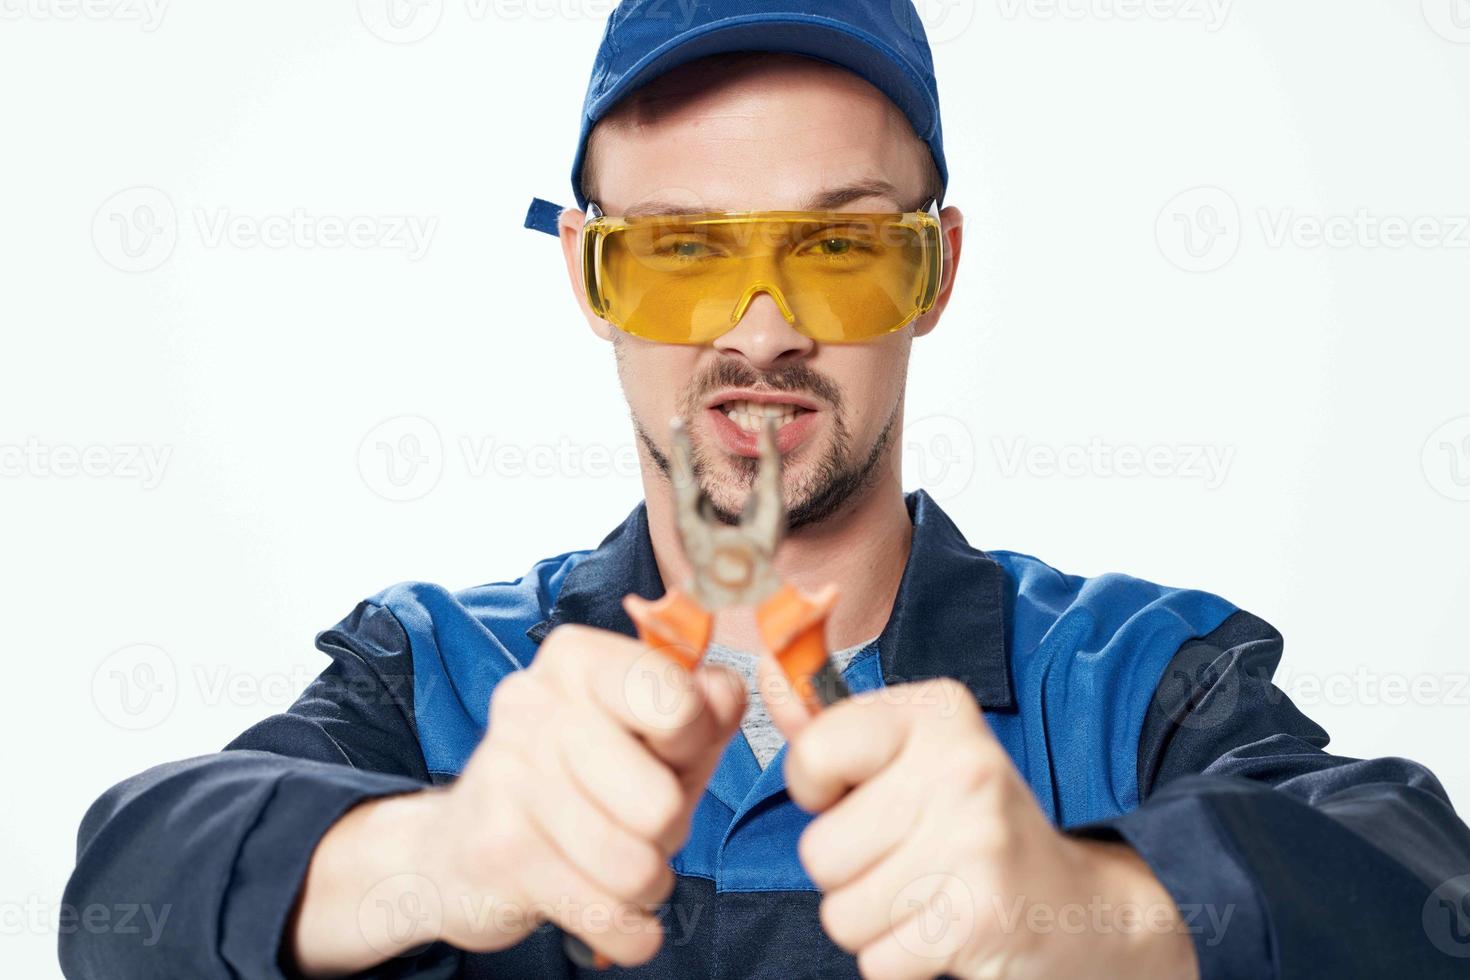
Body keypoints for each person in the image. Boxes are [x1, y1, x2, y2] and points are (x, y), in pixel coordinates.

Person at [61, 2, 1470, 978]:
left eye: (839, 248)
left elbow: (1424, 898)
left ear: (935, 271)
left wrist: (1093, 910)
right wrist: (435, 849)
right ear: (588, 279)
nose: (756, 328)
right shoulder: (437, 670)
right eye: (678, 252)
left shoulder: (1134, 677)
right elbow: (123, 897)